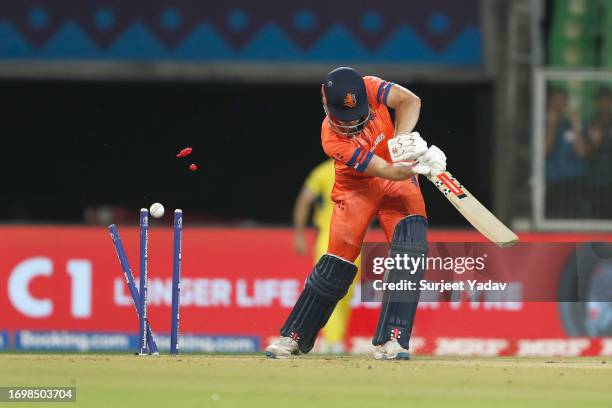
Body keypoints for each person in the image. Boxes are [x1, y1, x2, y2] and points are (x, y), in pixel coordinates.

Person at [266, 67, 446, 360]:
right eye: (345, 121)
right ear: (326, 106)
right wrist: (414, 166)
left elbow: (411, 102)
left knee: (411, 250)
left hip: (396, 181)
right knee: (336, 266)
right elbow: (385, 170)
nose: (353, 125)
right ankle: (293, 336)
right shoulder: (331, 140)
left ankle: (393, 339)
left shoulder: (371, 87)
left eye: (358, 117)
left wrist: (402, 143)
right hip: (358, 190)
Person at [293, 158, 359, 353]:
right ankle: (333, 341)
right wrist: (299, 234)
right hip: (329, 234)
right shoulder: (323, 171)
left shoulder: (364, 166)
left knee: (347, 290)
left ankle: (335, 338)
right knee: (327, 286)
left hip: (357, 236)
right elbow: (305, 200)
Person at [544, 87, 590, 218]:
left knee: (575, 216)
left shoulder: (574, 124)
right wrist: (552, 125)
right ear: (549, 103)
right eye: (556, 102)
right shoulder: (542, 123)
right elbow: (544, 151)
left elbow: (581, 152)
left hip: (574, 180)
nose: (559, 106)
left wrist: (576, 125)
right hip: (553, 180)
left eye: (562, 102)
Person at [585, 87, 612, 218]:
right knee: (596, 215)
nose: (605, 104)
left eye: (607, 100)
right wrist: (595, 143)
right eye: (602, 101)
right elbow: (585, 153)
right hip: (595, 179)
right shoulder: (591, 123)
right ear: (597, 103)